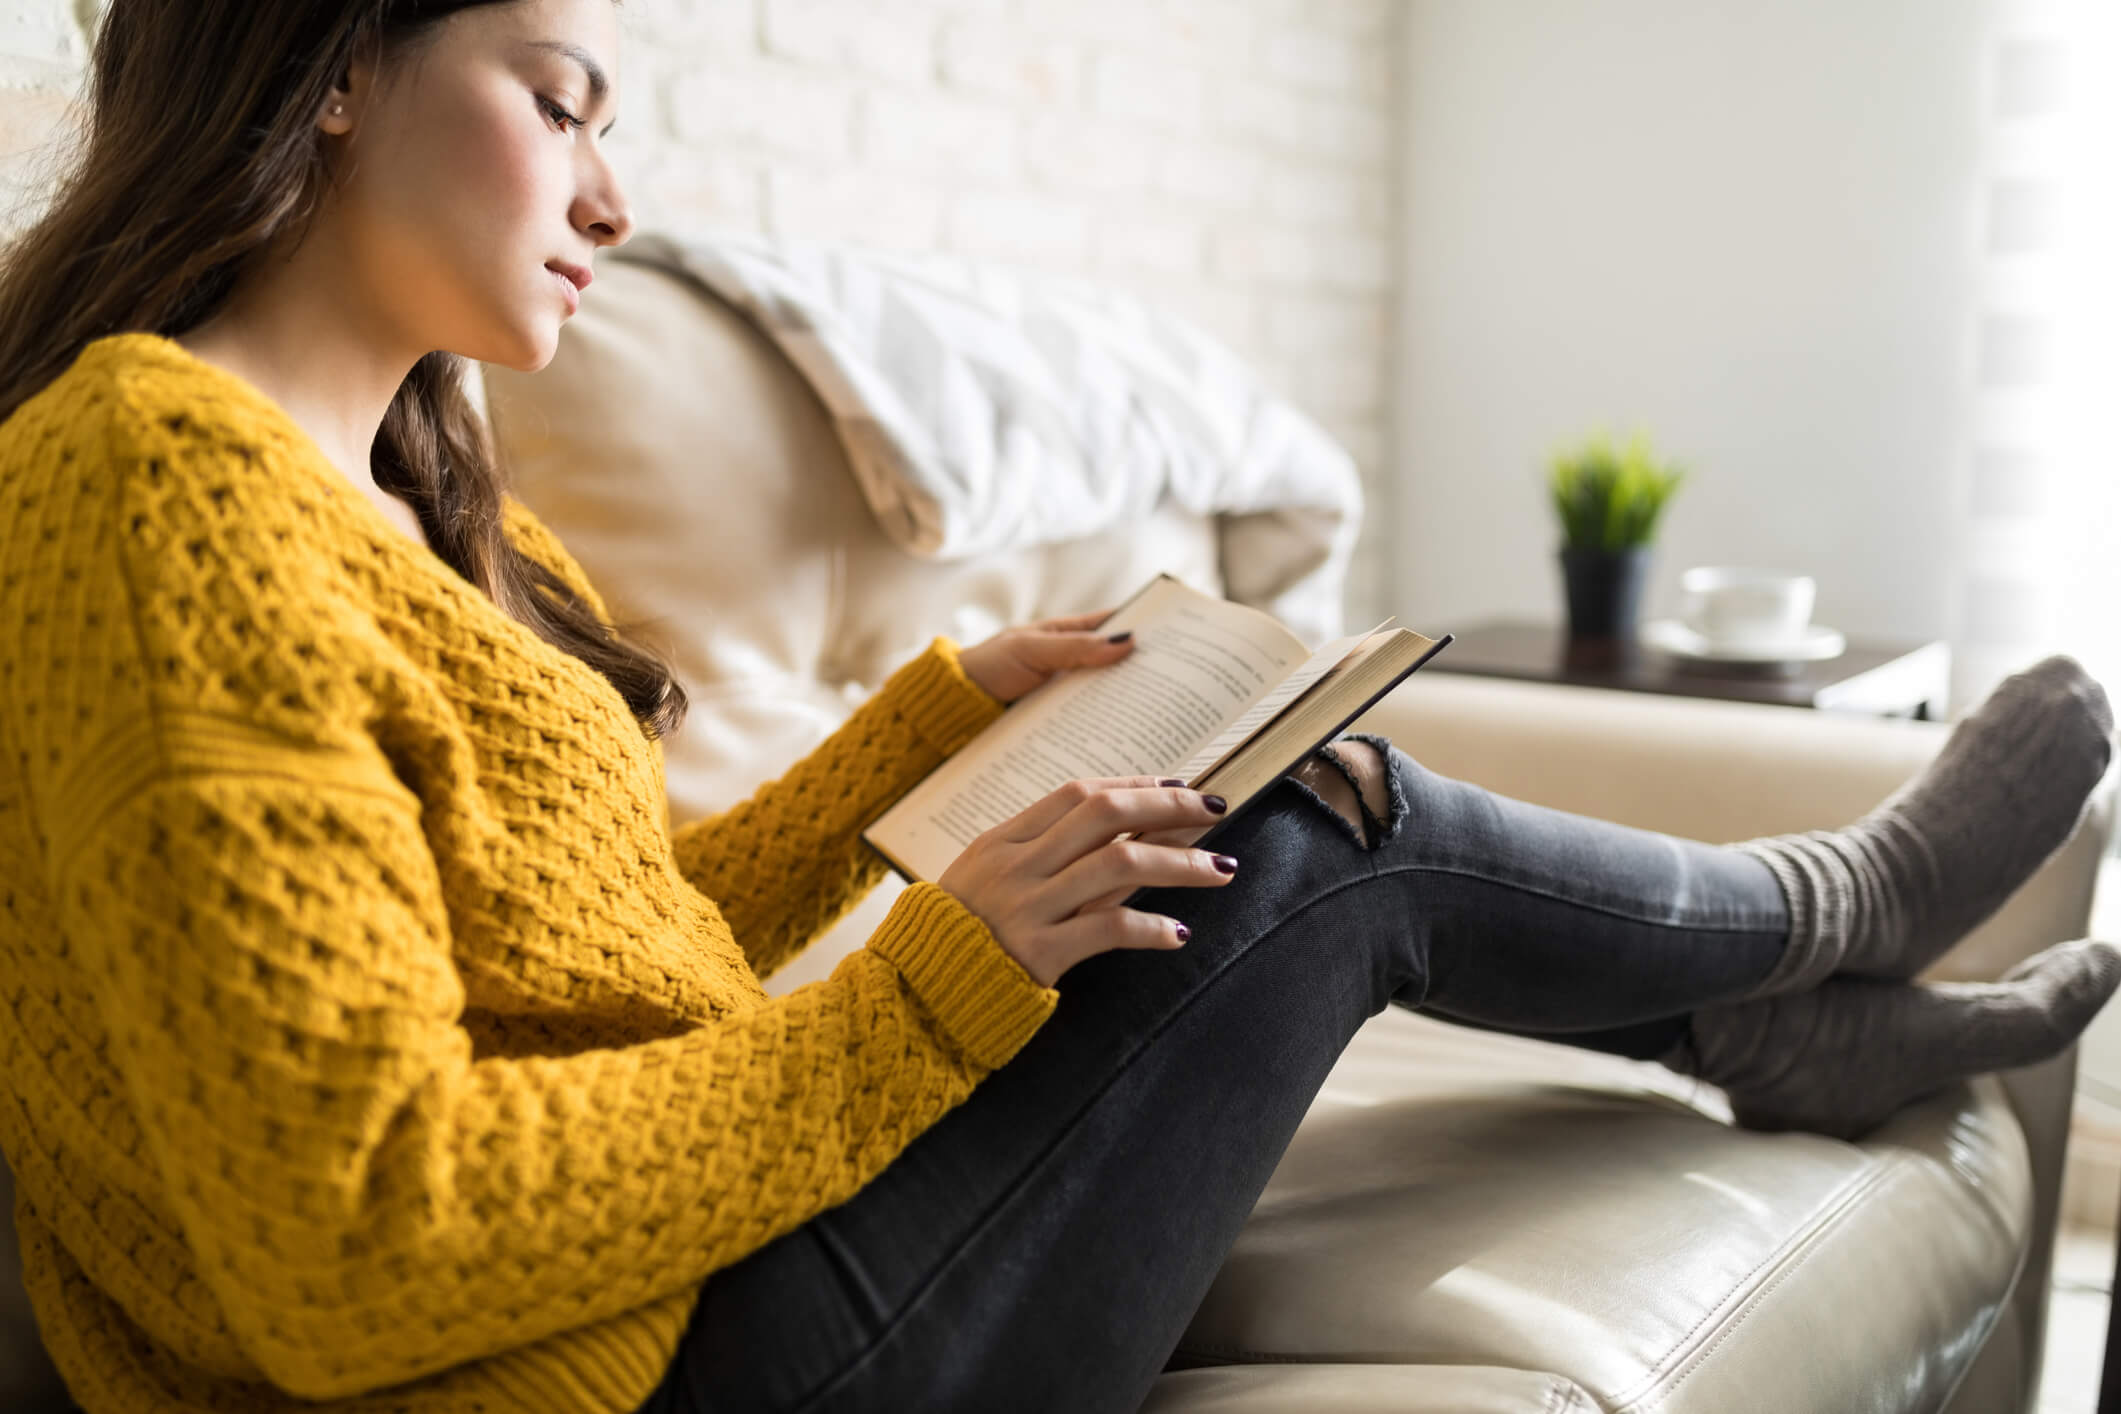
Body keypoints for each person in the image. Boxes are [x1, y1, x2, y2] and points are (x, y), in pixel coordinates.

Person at [0, 2, 2114, 1412]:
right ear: (331, 66)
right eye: (558, 100)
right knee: (1290, 843)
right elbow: (354, 1234)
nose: (613, 200)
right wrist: (931, 979)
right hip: (635, 1375)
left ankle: (1763, 994)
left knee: (1277, 785)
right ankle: (1829, 909)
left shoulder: (413, 503)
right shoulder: (159, 485)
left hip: (665, 1300)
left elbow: (618, 954)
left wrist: (933, 722)